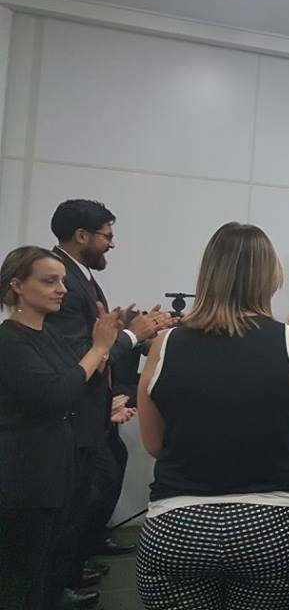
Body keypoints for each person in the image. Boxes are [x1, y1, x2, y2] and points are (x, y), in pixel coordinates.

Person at [135, 222, 289, 610]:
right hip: (273, 529)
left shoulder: (165, 344)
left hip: (178, 527)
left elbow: (154, 444)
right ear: (271, 276)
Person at [45, 199, 173, 604]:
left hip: (96, 405)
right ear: (82, 236)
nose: (112, 244)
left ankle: (79, 557)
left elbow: (97, 336)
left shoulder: (81, 276)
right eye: (108, 236)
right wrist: (132, 335)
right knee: (78, 499)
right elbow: (82, 352)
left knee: (102, 478)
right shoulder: (62, 278)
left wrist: (126, 326)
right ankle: (58, 584)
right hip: (76, 410)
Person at [0, 246, 122, 610]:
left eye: (63, 281)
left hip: (55, 472)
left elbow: (76, 380)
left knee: (45, 568)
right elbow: (55, 393)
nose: (62, 290)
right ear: (17, 286)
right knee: (21, 578)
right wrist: (99, 347)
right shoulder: (10, 341)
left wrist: (109, 405)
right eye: (50, 281)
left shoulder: (46, 334)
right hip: (27, 478)